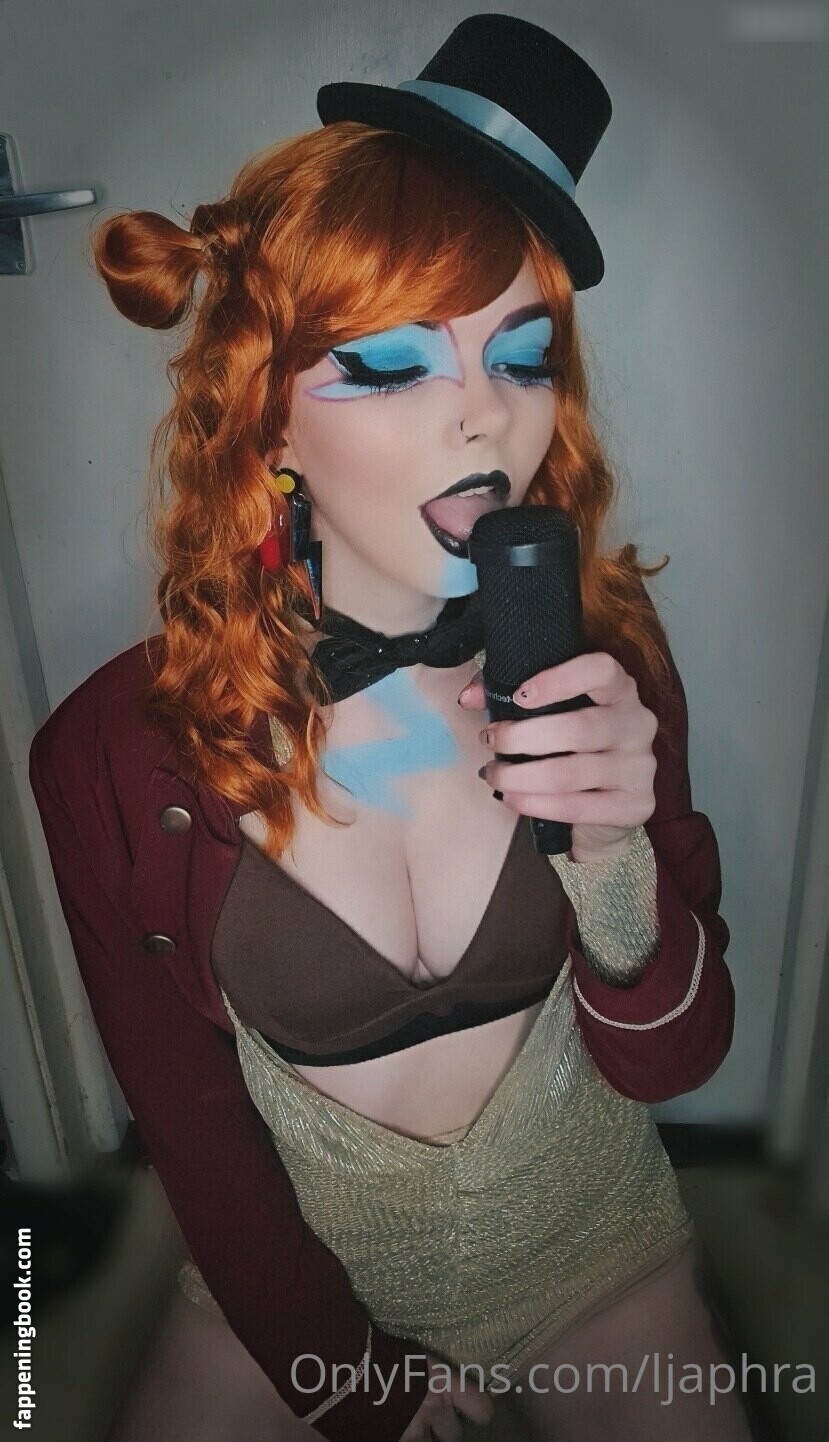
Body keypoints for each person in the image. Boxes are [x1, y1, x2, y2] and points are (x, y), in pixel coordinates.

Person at [28, 15, 755, 1442]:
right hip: (301, 1271)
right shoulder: (108, 757)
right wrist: (347, 1378)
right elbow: (192, 1124)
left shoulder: (606, 658)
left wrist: (613, 846)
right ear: (266, 418)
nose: (484, 421)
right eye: (388, 366)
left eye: (521, 358)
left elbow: (676, 1059)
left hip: (591, 1240)